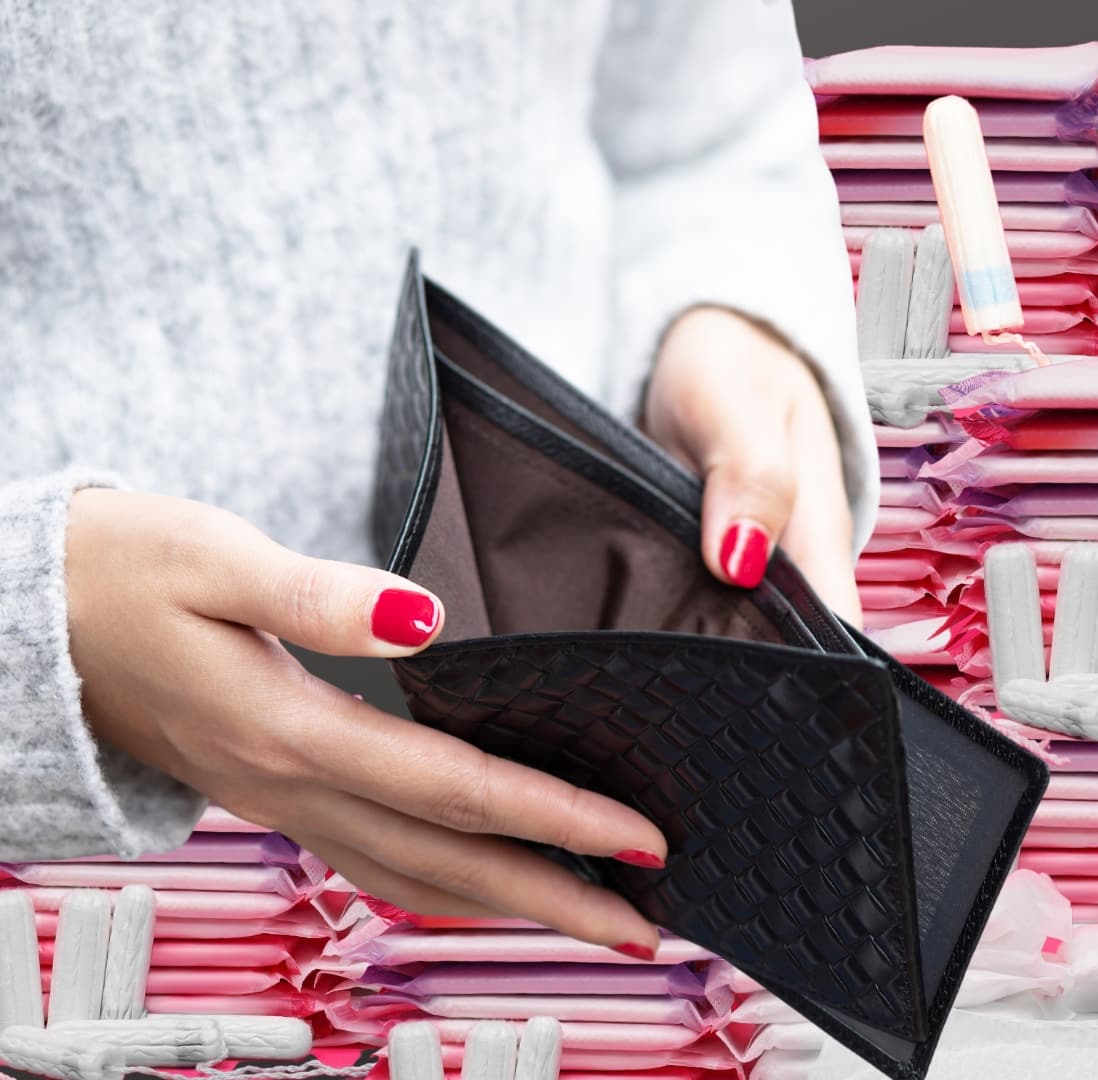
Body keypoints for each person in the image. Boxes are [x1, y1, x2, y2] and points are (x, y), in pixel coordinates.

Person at [0, 0, 874, 962]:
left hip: (599, 876)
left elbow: (706, 138)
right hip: (65, 923)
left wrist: (725, 318)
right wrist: (42, 628)